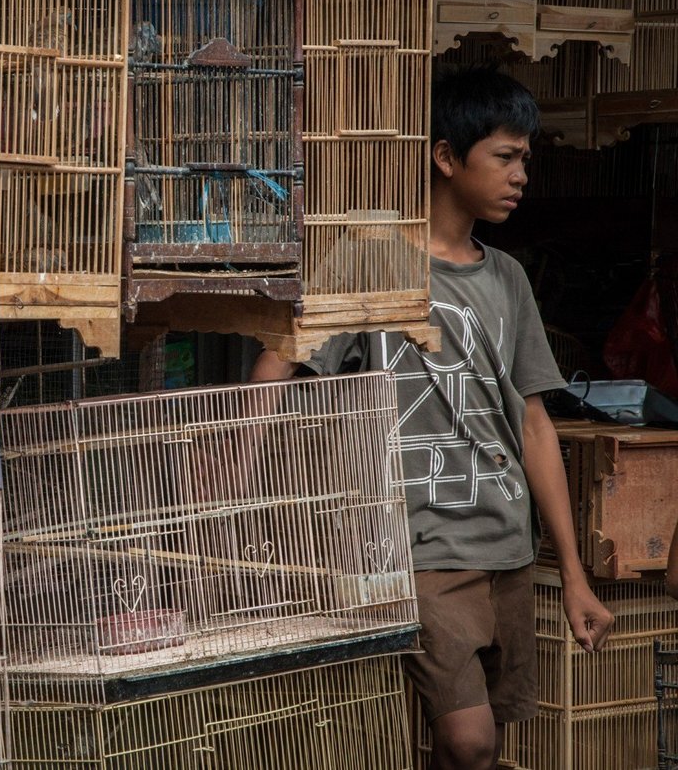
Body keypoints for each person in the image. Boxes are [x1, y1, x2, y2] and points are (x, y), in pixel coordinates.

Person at [251, 67, 614, 769]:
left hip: (505, 544)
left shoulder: (506, 276)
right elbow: (282, 360)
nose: (520, 176)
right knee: (470, 739)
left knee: (476, 746)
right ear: (446, 157)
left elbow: (534, 423)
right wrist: (235, 465)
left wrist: (571, 572)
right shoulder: (373, 253)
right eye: (504, 157)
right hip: (415, 544)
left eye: (525, 160)